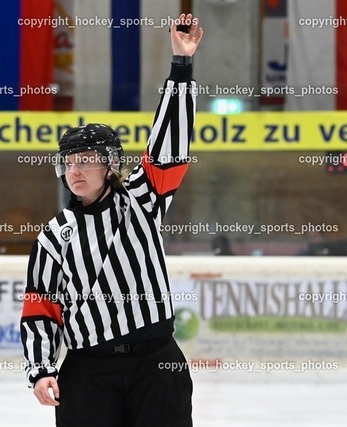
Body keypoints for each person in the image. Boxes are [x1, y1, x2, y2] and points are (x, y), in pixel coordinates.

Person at [20, 14, 203, 427]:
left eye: (86, 161)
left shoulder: (142, 199)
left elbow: (169, 146)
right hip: (88, 371)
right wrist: (41, 367)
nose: (75, 170)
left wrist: (181, 66)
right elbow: (41, 307)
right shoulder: (54, 236)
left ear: (110, 165)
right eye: (69, 162)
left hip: (156, 364)